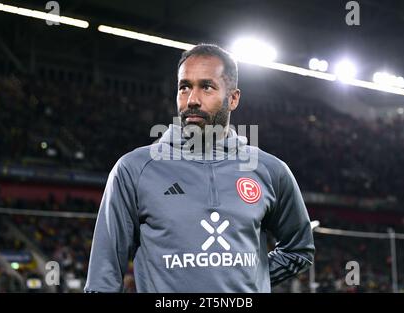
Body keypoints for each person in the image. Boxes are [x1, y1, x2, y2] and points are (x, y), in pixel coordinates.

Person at [84, 44, 315, 293]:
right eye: (184, 87)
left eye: (206, 87)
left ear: (233, 98)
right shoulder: (134, 169)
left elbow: (298, 249)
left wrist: (250, 280)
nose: (192, 100)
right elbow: (102, 280)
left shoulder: (270, 170)